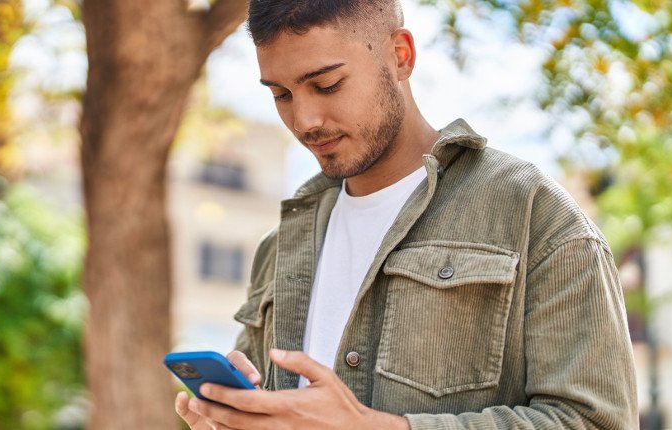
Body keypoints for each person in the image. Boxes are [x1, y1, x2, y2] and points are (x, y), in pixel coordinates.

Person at [173, 0, 639, 428]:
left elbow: (597, 421)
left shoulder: (532, 213)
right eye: (281, 94)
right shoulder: (281, 246)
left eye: (326, 84)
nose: (305, 120)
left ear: (400, 54)